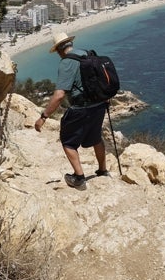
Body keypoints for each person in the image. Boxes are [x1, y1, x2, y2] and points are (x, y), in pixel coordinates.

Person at [34, 31, 110, 190]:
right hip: (99, 104)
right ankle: (103, 171)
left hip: (81, 108)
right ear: (70, 44)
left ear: (59, 50)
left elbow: (59, 95)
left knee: (68, 141)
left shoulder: (66, 62)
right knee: (96, 137)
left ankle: (79, 178)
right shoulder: (87, 53)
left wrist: (44, 116)